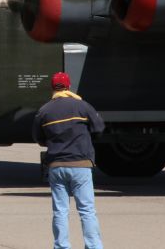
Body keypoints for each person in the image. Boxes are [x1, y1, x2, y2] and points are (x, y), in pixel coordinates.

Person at [32, 72, 105, 249]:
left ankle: (61, 246)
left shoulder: (44, 111)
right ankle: (94, 246)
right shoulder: (82, 106)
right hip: (81, 165)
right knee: (86, 210)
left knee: (60, 211)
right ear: (68, 86)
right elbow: (99, 129)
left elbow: (38, 138)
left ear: (52, 87)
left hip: (56, 167)